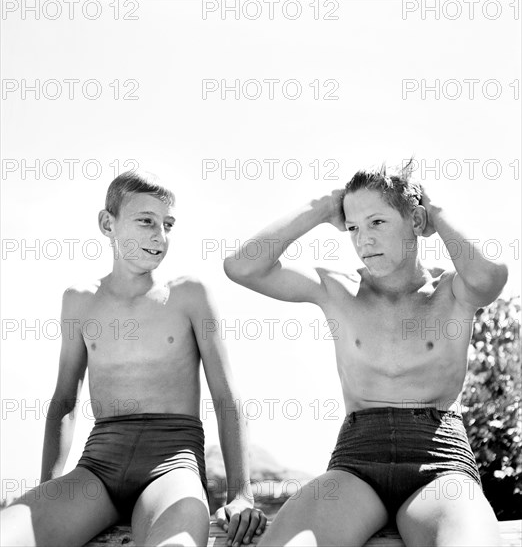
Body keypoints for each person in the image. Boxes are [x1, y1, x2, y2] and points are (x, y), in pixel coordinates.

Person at [224, 161, 507, 546]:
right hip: (357, 463)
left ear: (416, 221)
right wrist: (321, 208)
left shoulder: (452, 290)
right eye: (354, 227)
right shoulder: (335, 288)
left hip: (439, 462)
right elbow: (242, 266)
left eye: (377, 222)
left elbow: (491, 276)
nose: (364, 240)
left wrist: (436, 211)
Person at [1, 170, 267, 547]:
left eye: (168, 224)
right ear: (107, 223)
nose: (160, 236)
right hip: (98, 468)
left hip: (172, 467)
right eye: (146, 221)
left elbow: (226, 395)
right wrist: (49, 486)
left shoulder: (189, 295)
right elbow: (64, 400)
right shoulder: (79, 300)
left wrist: (241, 493)